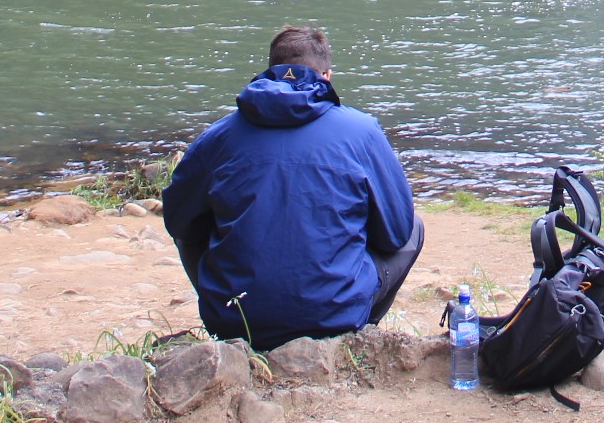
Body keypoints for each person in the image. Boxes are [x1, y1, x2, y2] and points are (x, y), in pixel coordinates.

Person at [163, 26, 423, 352]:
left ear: (268, 71)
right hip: (334, 317)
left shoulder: (219, 136)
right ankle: (354, 336)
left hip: (234, 321)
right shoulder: (362, 131)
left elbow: (178, 221)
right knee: (413, 227)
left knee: (190, 225)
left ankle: (234, 314)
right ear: (327, 75)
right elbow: (397, 233)